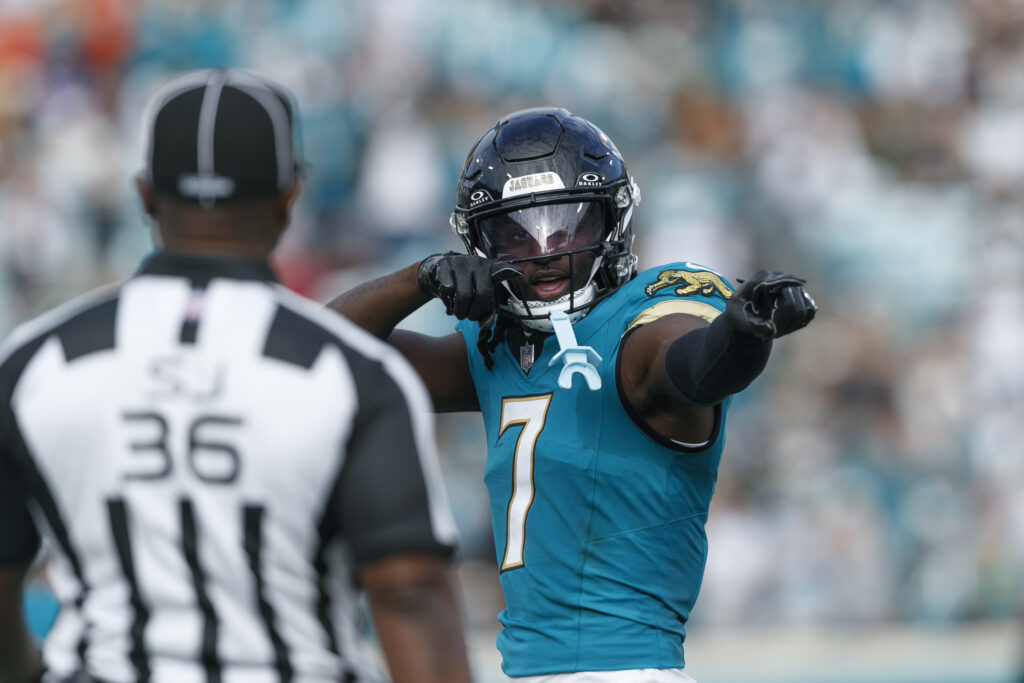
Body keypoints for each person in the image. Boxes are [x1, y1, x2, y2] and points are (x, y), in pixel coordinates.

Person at [0, 68, 473, 683]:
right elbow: (408, 591)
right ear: (288, 198)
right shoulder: (349, 373)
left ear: (145, 195)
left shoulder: (37, 360)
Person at [327, 107, 817, 681]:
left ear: (613, 220)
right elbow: (323, 356)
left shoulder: (644, 320)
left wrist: (741, 335)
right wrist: (419, 278)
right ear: (479, 244)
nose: (544, 251)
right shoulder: (497, 346)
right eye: (514, 233)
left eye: (568, 226)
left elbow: (690, 366)